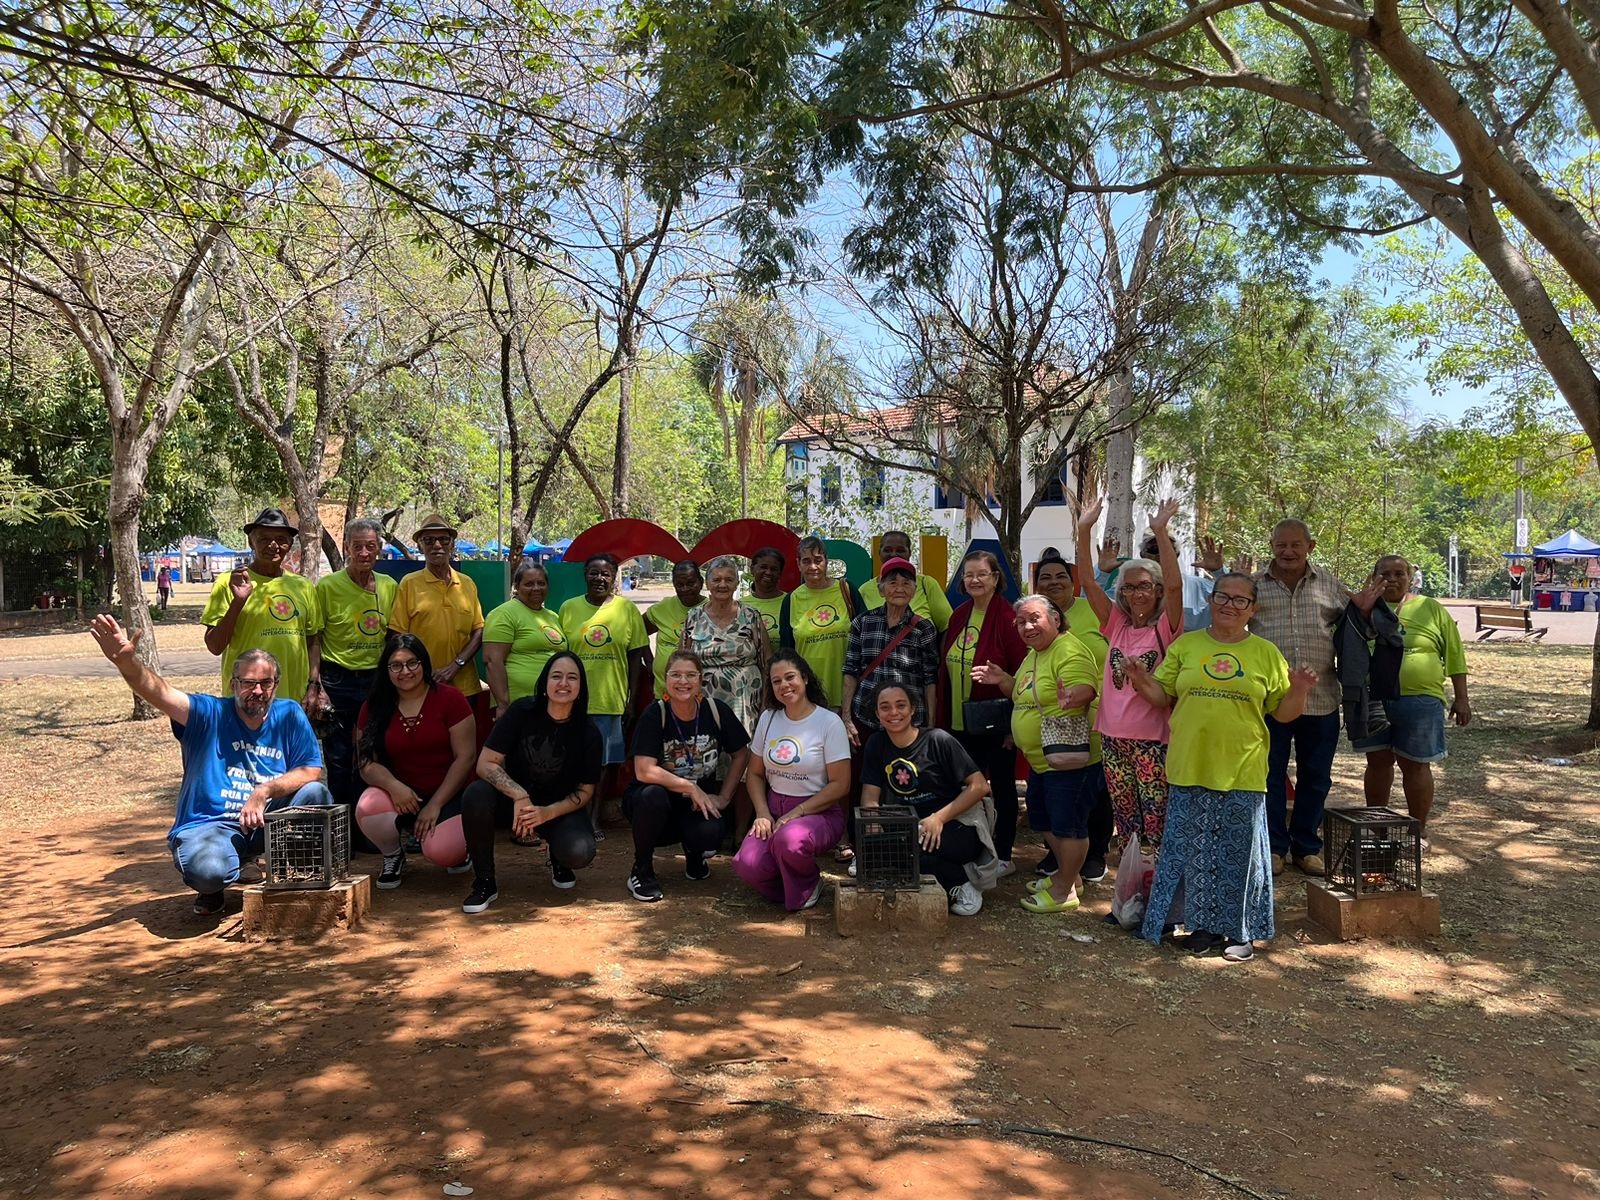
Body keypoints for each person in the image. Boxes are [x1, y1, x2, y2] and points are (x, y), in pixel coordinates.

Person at [1123, 571, 1318, 962]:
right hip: (1188, 764)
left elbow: (1282, 714)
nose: (1230, 605)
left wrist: (1299, 689)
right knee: (1190, 852)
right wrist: (1141, 679)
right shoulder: (1187, 646)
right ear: (1210, 601)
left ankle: (1239, 932)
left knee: (1237, 854)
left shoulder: (1265, 653)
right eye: (1222, 597)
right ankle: (1198, 925)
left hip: (1242, 767)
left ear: (1253, 609)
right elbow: (1162, 695)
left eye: (1240, 600)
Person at [89, 615, 331, 916]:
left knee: (315, 796)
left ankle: (295, 880)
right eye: (248, 683)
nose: (257, 691)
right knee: (209, 870)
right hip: (211, 825)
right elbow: (160, 694)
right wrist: (127, 663)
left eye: (265, 683)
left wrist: (264, 791)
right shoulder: (208, 713)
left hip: (264, 821)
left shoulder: (289, 714)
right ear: (233, 684)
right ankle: (213, 887)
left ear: (276, 685)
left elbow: (311, 770)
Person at [1250, 519, 1377, 876]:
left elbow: (1357, 627)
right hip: (1268, 699)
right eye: (1280, 545)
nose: (1287, 552)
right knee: (1268, 775)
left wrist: (1364, 610)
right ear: (1271, 545)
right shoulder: (1255, 586)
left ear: (1311, 546)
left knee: (1316, 776)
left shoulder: (1331, 585)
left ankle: (1307, 846)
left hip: (1321, 697)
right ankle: (1274, 847)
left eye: (1295, 545)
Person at [974, 596, 1099, 914]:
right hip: (1041, 760)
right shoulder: (1035, 654)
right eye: (1020, 621)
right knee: (1044, 819)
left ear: (1056, 619)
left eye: (1034, 618)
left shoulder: (1069, 649)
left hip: (1068, 760)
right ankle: (1070, 877)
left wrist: (1072, 697)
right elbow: (1025, 691)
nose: (1026, 626)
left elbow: (1087, 687)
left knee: (1069, 826)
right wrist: (1004, 680)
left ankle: (1063, 891)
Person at [1076, 497, 1183, 851]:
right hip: (1112, 737)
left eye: (1144, 586)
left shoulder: (1167, 627)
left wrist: (1160, 532)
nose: (1137, 593)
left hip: (1153, 740)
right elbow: (1089, 584)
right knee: (1127, 824)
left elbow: (1175, 586)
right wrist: (1083, 530)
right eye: (1129, 587)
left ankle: (1159, 894)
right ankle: (1133, 894)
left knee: (1158, 821)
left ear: (1155, 590)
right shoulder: (1116, 624)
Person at [459, 652, 604, 912]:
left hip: (557, 808)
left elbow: (585, 791)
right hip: (513, 802)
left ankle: (560, 858)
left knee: (579, 851)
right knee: (475, 795)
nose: (563, 683)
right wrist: (519, 796)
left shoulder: (588, 731)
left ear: (581, 687)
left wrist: (546, 813)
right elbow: (485, 764)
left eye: (572, 677)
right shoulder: (522, 712)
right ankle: (484, 881)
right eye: (556, 676)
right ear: (544, 683)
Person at [1354, 555, 1470, 847]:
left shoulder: (1429, 607)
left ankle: (1417, 830)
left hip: (1420, 700)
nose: (1392, 579)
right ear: (1374, 576)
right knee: (1377, 762)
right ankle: (1376, 828)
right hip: (1373, 699)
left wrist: (1462, 698)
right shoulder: (1362, 608)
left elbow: (1454, 653)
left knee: (1416, 765)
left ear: (1410, 578)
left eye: (1399, 574)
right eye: (1385, 574)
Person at [624, 649, 752, 902]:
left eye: (690, 675)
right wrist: (690, 786)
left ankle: (695, 857)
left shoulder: (715, 711)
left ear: (701, 680)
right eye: (676, 675)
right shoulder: (655, 714)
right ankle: (641, 869)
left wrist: (725, 797)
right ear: (666, 678)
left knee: (711, 832)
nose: (683, 682)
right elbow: (644, 769)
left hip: (695, 804)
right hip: (653, 801)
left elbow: (741, 753)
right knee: (653, 797)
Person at [861, 682, 998, 916]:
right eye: (885, 707)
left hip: (957, 823)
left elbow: (979, 786)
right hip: (911, 826)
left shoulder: (938, 740)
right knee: (883, 853)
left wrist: (938, 818)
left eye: (901, 705)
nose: (894, 713)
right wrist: (872, 832)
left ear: (913, 709)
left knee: (911, 852)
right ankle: (949, 873)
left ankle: (964, 881)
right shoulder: (877, 744)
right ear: (877, 714)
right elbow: (870, 796)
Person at [353, 634, 477, 887]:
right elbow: (364, 762)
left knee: (443, 852)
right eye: (396, 665)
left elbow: (466, 758)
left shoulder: (450, 698)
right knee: (367, 806)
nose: (405, 671)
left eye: (412, 663)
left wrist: (435, 805)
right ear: (386, 670)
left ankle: (458, 851)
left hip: (448, 793)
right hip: (402, 796)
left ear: (424, 664)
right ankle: (393, 855)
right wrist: (394, 786)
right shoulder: (374, 705)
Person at [732, 650, 851, 911]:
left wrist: (796, 813)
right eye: (776, 681)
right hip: (774, 811)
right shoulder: (769, 718)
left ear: (805, 678)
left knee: (790, 840)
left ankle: (809, 882)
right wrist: (762, 813)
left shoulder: (829, 722)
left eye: (790, 677)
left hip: (818, 812)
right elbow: (754, 773)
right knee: (747, 864)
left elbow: (840, 785)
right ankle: (790, 885)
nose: (784, 685)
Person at [938, 549, 1027, 873]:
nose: (974, 579)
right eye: (969, 574)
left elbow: (1022, 672)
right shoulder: (958, 615)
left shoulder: (1008, 619)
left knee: (1002, 789)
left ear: (995, 578)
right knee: (963, 789)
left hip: (996, 725)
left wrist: (1011, 728)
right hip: (959, 724)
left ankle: (1003, 854)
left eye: (981, 574)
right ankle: (971, 848)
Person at [313, 518, 399, 844]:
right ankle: (341, 834)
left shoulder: (390, 586)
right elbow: (316, 638)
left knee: (373, 756)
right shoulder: (328, 587)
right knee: (338, 757)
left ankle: (369, 831)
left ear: (379, 549)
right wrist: (317, 685)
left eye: (371, 546)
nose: (364, 552)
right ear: (347, 548)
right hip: (337, 681)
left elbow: (394, 635)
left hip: (377, 681)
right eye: (357, 546)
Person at [1033, 548, 1113, 882]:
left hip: (1099, 715)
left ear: (1073, 582)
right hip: (1050, 720)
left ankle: (1095, 854)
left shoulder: (1093, 611)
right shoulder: (1033, 617)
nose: (1053, 583)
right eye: (1045, 578)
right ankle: (1057, 853)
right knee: (1055, 788)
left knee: (1094, 789)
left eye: (1060, 576)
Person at [559, 552, 652, 824]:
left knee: (603, 764)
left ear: (613, 578)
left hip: (610, 700)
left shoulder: (626, 610)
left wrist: (631, 700)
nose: (599, 578)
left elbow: (636, 657)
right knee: (573, 761)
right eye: (593, 573)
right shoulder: (568, 608)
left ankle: (594, 817)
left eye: (605, 574)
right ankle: (571, 815)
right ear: (584, 576)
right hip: (572, 701)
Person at [202, 507, 323, 708]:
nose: (273, 545)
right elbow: (214, 646)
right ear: (251, 542)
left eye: (280, 539)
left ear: (290, 544)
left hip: (293, 700)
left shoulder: (304, 587)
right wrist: (238, 601)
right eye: (264, 539)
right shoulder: (229, 582)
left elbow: (313, 643)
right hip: (246, 700)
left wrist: (313, 685)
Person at [388, 513, 488, 743]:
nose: (437, 545)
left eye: (443, 539)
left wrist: (456, 665)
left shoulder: (467, 584)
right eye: (429, 540)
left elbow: (478, 630)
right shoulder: (409, 584)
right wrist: (420, 670)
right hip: (422, 684)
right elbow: (398, 635)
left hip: (464, 684)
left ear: (452, 544)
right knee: (428, 745)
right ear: (420, 545)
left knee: (465, 749)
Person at [681, 556, 771, 736]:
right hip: (703, 700)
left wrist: (765, 705)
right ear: (707, 583)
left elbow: (767, 661)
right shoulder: (694, 616)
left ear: (737, 583)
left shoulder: (751, 615)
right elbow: (682, 662)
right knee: (706, 751)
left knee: (742, 752)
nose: (723, 584)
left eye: (729, 579)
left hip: (745, 701)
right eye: (716, 579)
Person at [779, 535, 862, 714]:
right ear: (798, 564)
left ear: (826, 561)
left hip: (848, 693)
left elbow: (864, 638)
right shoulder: (791, 600)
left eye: (818, 560)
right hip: (807, 694)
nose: (813, 567)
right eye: (806, 561)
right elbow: (787, 653)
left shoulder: (846, 590)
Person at [483, 560, 567, 715]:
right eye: (529, 584)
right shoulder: (503, 614)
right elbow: (492, 661)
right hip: (519, 704)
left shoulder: (552, 617)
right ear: (517, 586)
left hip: (552, 702)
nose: (536, 588)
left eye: (541, 583)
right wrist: (503, 704)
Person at [859, 530, 953, 632]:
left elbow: (948, 626)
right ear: (879, 553)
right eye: (887, 550)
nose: (893, 554)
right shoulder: (865, 589)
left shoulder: (926, 584)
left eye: (900, 550)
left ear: (909, 553)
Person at [645, 560, 706, 696]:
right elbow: (638, 633)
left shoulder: (712, 609)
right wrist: (650, 662)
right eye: (679, 585)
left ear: (701, 582)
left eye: (691, 583)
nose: (685, 589)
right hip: (663, 692)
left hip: (700, 694)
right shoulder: (662, 608)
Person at [743, 546, 788, 648]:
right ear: (752, 569)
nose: (768, 572)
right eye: (763, 567)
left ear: (780, 573)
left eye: (774, 569)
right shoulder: (739, 606)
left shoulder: (790, 601)